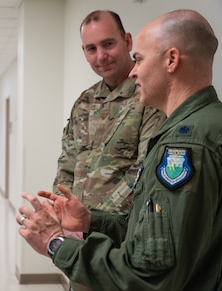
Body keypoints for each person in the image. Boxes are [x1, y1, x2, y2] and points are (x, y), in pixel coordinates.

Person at [17, 9, 222, 290]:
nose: (134, 70)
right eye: (91, 48)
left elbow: (150, 273)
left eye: (139, 58)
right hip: (104, 243)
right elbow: (70, 159)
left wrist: (55, 243)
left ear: (171, 59)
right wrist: (87, 220)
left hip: (119, 258)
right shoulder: (198, 125)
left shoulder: (185, 142)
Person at [54, 10, 165, 215]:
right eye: (91, 49)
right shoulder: (84, 101)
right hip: (78, 228)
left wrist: (93, 218)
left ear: (127, 41)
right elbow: (67, 165)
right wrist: (62, 210)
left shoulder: (149, 96)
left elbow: (145, 169)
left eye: (108, 44)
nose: (101, 56)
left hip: (121, 229)